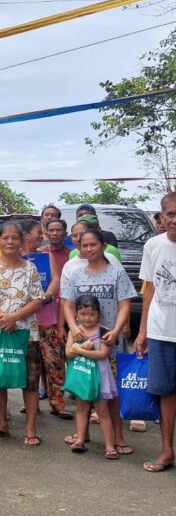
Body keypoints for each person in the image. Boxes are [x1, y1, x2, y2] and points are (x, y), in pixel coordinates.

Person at [60, 227, 136, 454]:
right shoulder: (75, 273)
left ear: (103, 245)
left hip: (109, 342)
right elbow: (67, 304)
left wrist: (116, 330)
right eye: (84, 245)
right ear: (78, 248)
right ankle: (81, 436)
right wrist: (73, 328)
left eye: (93, 244)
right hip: (83, 343)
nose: (89, 249)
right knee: (84, 390)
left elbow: (125, 305)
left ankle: (118, 437)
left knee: (111, 394)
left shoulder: (116, 272)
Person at [0, 221, 44, 447]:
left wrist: (14, 317)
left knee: (30, 381)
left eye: (15, 238)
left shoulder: (30, 268)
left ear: (22, 241)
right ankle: (2, 422)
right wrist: (2, 316)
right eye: (6, 238)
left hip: (25, 333)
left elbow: (37, 299)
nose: (10, 242)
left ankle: (30, 427)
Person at [135, 192, 176, 472]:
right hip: (162, 332)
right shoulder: (153, 245)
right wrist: (142, 332)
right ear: (161, 217)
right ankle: (166, 450)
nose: (175, 220)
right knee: (165, 393)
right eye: (171, 214)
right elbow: (148, 290)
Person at [66, 294, 120, 458]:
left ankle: (109, 446)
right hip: (82, 377)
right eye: (83, 314)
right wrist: (78, 348)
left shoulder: (104, 332)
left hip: (100, 378)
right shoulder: (75, 332)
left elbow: (103, 354)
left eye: (91, 314)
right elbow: (68, 353)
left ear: (98, 314)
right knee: (81, 408)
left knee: (102, 411)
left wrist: (80, 349)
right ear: (76, 314)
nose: (87, 318)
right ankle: (80, 439)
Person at [38, 218, 72, 418]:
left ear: (64, 232)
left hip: (59, 311)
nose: (55, 233)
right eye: (51, 230)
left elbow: (58, 283)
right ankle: (33, 402)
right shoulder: (36, 255)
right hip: (32, 317)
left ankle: (58, 401)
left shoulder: (70, 255)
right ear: (45, 233)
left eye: (59, 230)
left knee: (56, 362)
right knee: (34, 364)